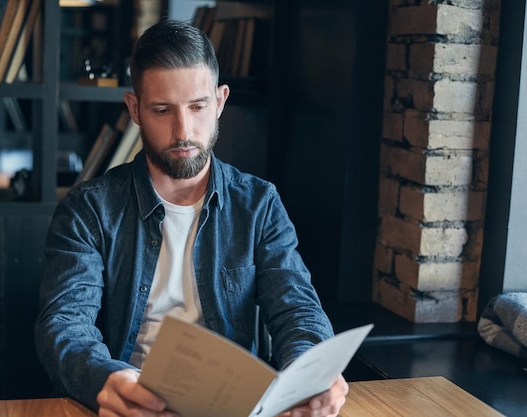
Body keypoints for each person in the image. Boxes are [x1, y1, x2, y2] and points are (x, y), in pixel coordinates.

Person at [35, 19, 348, 417]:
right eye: (162, 110)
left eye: (198, 107)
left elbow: (298, 310)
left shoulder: (259, 204)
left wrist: (309, 375)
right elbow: (64, 324)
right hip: (130, 404)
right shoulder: (89, 209)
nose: (183, 131)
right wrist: (106, 379)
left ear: (220, 101)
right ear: (135, 109)